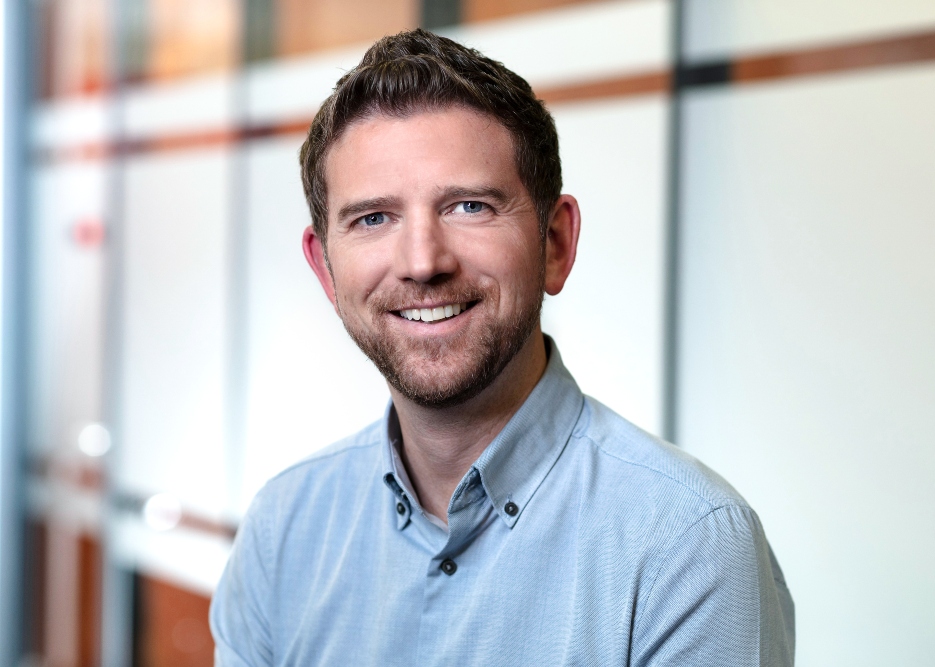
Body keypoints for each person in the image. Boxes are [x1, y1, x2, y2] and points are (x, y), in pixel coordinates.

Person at [210, 28, 794, 666]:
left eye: (468, 206)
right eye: (373, 218)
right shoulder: (282, 529)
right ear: (325, 271)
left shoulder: (688, 544)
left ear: (555, 245)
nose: (422, 262)